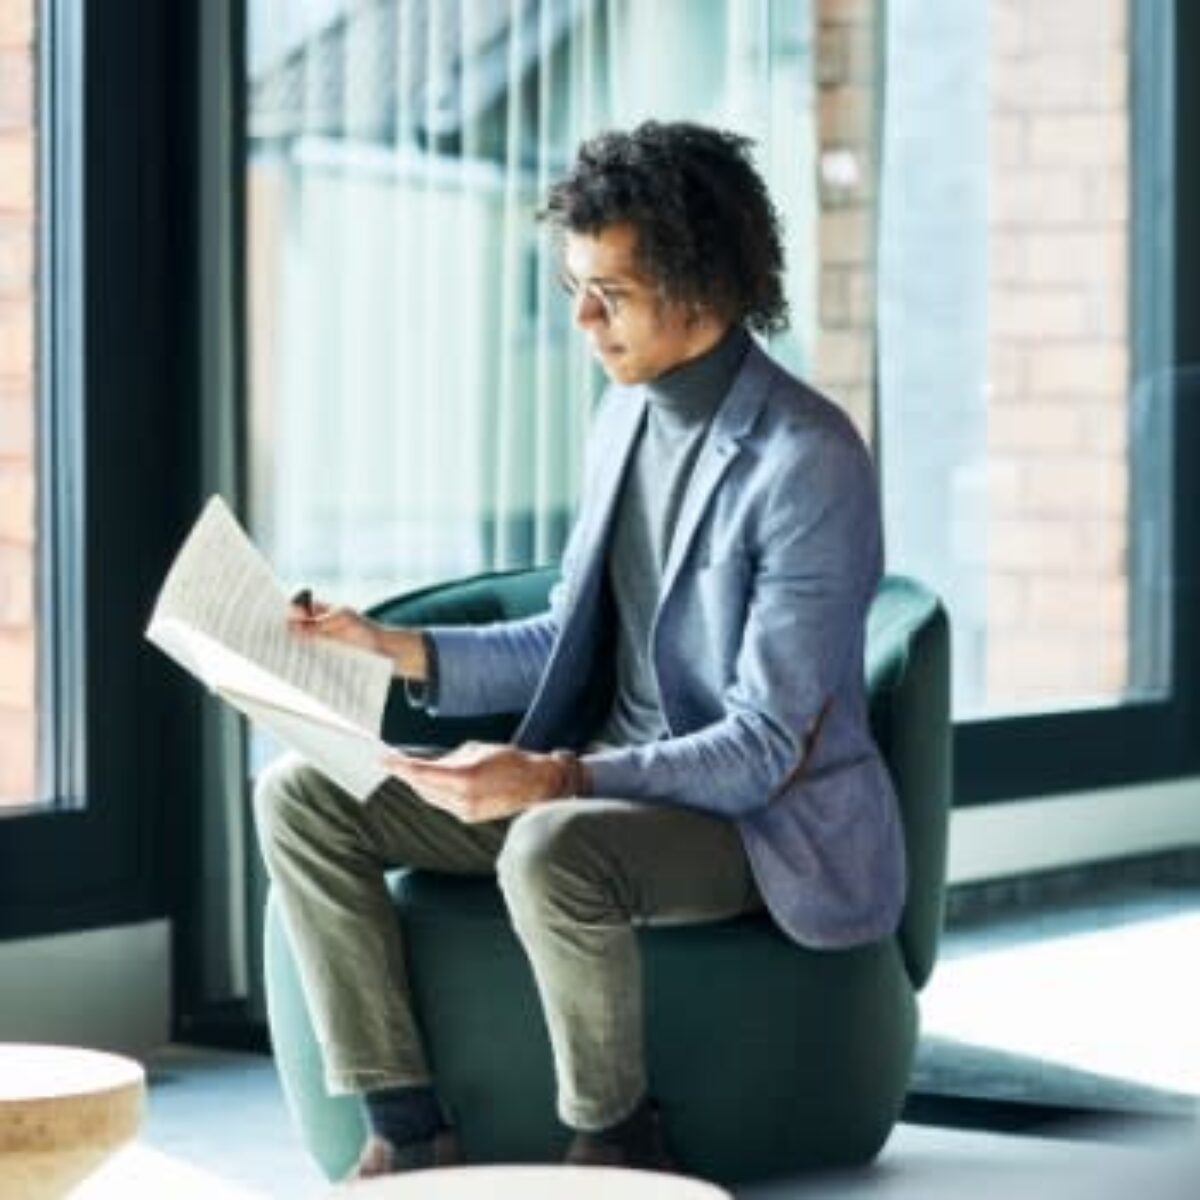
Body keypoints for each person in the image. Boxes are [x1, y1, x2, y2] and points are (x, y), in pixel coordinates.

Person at [253, 120, 906, 1179]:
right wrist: (390, 647)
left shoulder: (809, 462)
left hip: (754, 822)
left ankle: (615, 1134)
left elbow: (762, 746)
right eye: (570, 286)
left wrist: (553, 778)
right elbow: (570, 632)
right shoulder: (624, 418)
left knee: (552, 846)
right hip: (608, 776)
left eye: (612, 291)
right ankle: (410, 1131)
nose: (582, 319)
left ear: (705, 281)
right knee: (302, 795)